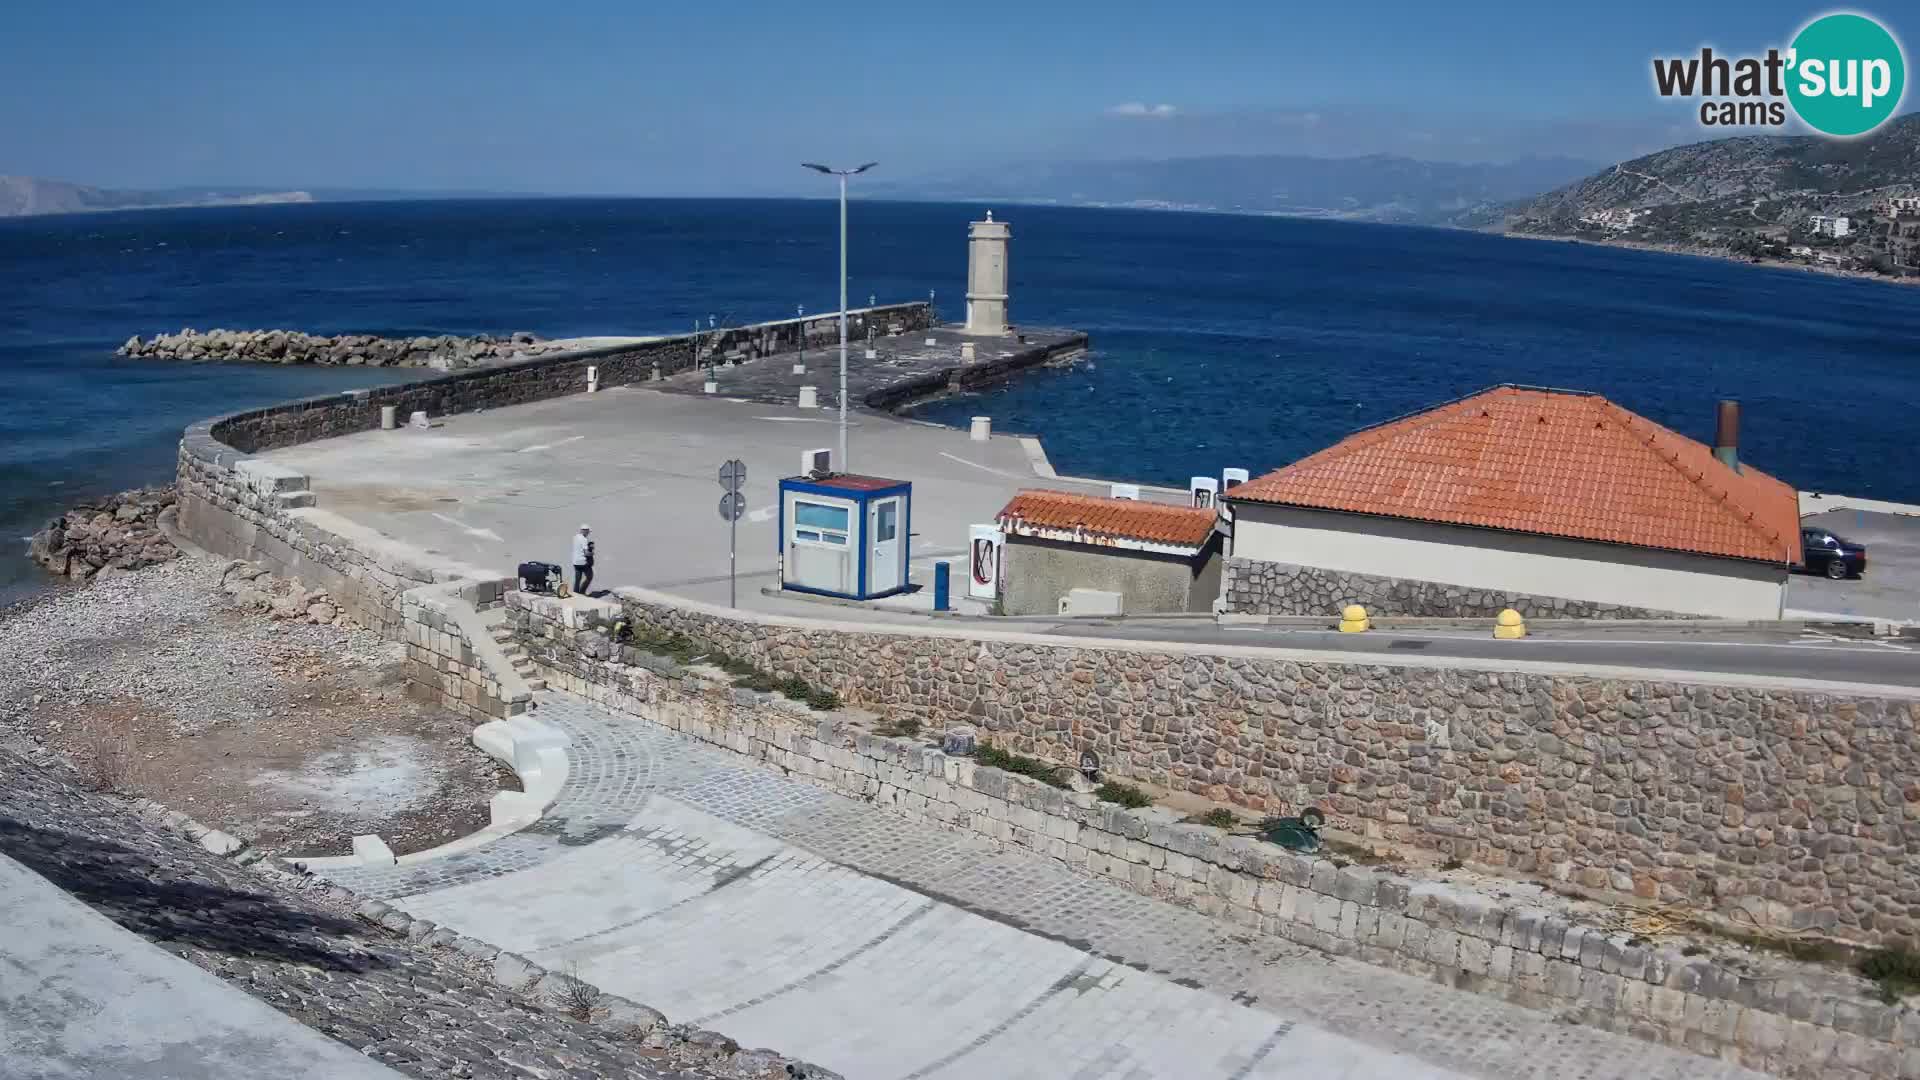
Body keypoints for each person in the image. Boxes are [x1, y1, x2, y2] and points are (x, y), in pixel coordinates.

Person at [570, 524, 594, 594]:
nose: (588, 533)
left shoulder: (575, 537)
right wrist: (592, 553)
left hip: (575, 562)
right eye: (588, 532)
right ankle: (582, 591)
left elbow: (578, 547)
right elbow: (586, 553)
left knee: (577, 579)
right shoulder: (584, 539)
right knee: (589, 576)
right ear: (585, 531)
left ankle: (575, 594)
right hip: (583, 562)